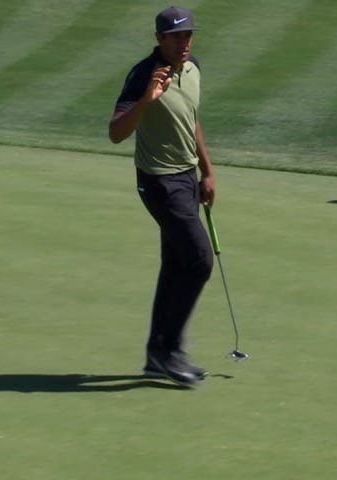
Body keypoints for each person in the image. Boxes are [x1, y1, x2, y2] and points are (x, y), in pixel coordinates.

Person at [108, 6, 215, 385]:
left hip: (186, 179)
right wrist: (147, 100)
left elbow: (191, 117)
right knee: (200, 261)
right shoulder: (143, 76)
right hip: (158, 183)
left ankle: (159, 354)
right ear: (160, 40)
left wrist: (207, 170)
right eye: (175, 37)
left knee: (176, 265)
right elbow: (116, 132)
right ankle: (168, 351)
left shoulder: (193, 67)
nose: (184, 42)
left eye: (188, 35)